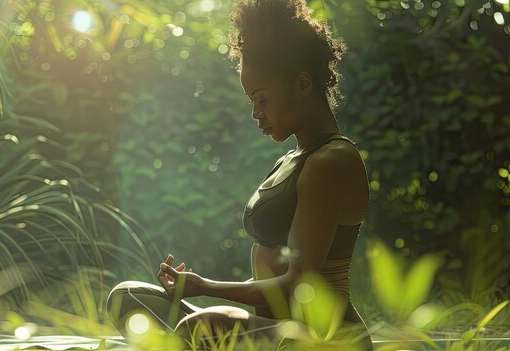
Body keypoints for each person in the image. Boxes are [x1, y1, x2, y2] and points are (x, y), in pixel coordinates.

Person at [106, 0, 372, 349]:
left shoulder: (332, 161)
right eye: (251, 102)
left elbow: (297, 283)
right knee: (127, 298)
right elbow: (271, 285)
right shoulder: (291, 160)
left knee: (199, 328)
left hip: (323, 338)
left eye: (262, 99)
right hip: (272, 329)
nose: (255, 114)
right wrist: (195, 287)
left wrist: (204, 288)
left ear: (303, 84)